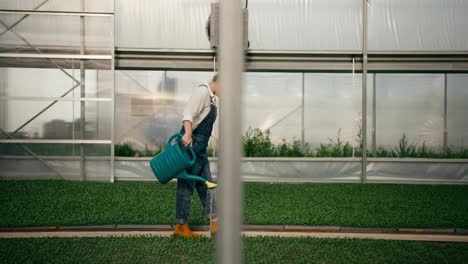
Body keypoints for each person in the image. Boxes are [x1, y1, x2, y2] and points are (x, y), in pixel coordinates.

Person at [174, 73, 219, 238]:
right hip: (191, 146)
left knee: (209, 184)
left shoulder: (213, 99)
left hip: (200, 148)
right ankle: (180, 226)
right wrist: (187, 134)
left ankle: (215, 221)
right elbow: (188, 113)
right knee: (186, 186)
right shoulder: (202, 92)